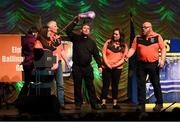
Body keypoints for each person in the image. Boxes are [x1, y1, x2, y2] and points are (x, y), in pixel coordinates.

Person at [125, 22, 166, 112]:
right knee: (141, 85)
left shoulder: (157, 37)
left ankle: (159, 103)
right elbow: (133, 49)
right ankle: (141, 104)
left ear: (150, 28)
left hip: (153, 64)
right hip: (141, 64)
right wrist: (127, 56)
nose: (143, 29)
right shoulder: (138, 37)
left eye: (145, 27)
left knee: (156, 84)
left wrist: (162, 60)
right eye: (142, 27)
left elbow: (163, 48)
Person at [65, 16, 102, 110]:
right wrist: (75, 21)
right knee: (77, 86)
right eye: (84, 28)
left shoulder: (92, 42)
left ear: (89, 31)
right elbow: (68, 31)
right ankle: (78, 104)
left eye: (88, 28)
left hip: (87, 68)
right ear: (81, 29)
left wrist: (100, 65)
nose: (86, 29)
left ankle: (94, 104)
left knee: (90, 86)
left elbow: (97, 55)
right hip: (77, 67)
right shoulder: (76, 38)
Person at [35, 22, 70, 110]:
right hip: (48, 64)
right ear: (49, 28)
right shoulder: (44, 39)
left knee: (60, 84)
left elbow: (61, 51)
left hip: (57, 63)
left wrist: (67, 62)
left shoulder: (57, 38)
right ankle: (47, 105)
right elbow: (45, 52)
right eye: (55, 26)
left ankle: (61, 104)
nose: (57, 27)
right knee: (47, 85)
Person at [100, 28, 128, 109]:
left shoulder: (124, 45)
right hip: (106, 67)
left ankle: (115, 104)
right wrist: (107, 64)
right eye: (114, 34)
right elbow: (103, 53)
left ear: (120, 35)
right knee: (105, 85)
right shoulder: (108, 42)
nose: (114, 35)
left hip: (117, 68)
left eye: (116, 34)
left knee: (115, 85)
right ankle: (103, 103)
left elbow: (123, 58)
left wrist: (115, 65)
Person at [18, 26, 38, 98]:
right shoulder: (33, 40)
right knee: (31, 83)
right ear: (35, 33)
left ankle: (22, 98)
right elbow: (34, 51)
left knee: (27, 82)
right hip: (31, 63)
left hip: (26, 63)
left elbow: (23, 52)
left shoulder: (24, 39)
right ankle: (23, 98)